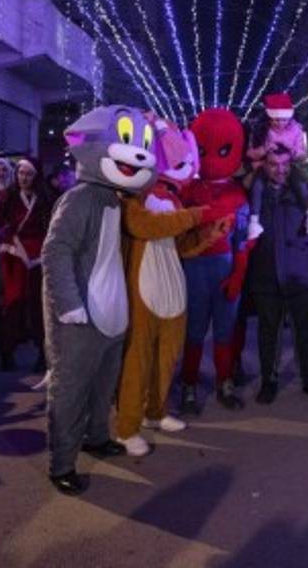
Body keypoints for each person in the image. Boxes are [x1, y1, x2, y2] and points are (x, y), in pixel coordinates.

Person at [41, 107, 155, 496]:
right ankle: (62, 463)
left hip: (112, 311)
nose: (138, 154)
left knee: (103, 383)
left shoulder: (115, 200)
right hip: (82, 314)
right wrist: (69, 304)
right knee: (71, 388)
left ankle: (96, 436)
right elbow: (56, 251)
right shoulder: (79, 198)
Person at [114, 123, 216, 456]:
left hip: (173, 285)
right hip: (143, 287)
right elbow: (144, 226)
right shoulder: (132, 197)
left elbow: (181, 244)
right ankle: (126, 427)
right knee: (138, 359)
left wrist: (210, 234)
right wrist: (194, 216)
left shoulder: (173, 199)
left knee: (167, 356)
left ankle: (156, 411)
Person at [180, 109, 253, 414]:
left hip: (224, 266)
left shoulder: (238, 195)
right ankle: (188, 385)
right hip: (194, 266)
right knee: (193, 331)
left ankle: (224, 382)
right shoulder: (187, 191)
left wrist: (238, 273)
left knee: (225, 330)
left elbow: (243, 240)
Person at [245, 148, 308, 405]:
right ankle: (268, 381)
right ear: (264, 165)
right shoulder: (256, 193)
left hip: (300, 274)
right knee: (268, 332)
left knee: (305, 332)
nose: (280, 170)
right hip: (267, 275)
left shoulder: (306, 193)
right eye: (273, 164)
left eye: (285, 164)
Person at [0, 158, 52, 373]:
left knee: (38, 305)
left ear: (36, 176)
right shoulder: (8, 196)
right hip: (15, 253)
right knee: (13, 302)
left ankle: (42, 354)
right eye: (21, 173)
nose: (24, 178)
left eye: (28, 174)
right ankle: (7, 351)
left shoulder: (45, 197)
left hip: (39, 256)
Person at [245, 92, 308, 241]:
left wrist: (291, 148)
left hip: (291, 164)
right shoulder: (261, 130)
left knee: (300, 183)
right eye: (276, 119)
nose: (280, 123)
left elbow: (303, 156)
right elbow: (250, 154)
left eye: (284, 120)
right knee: (257, 184)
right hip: (265, 165)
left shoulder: (297, 130)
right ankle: (254, 221)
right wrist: (265, 149)